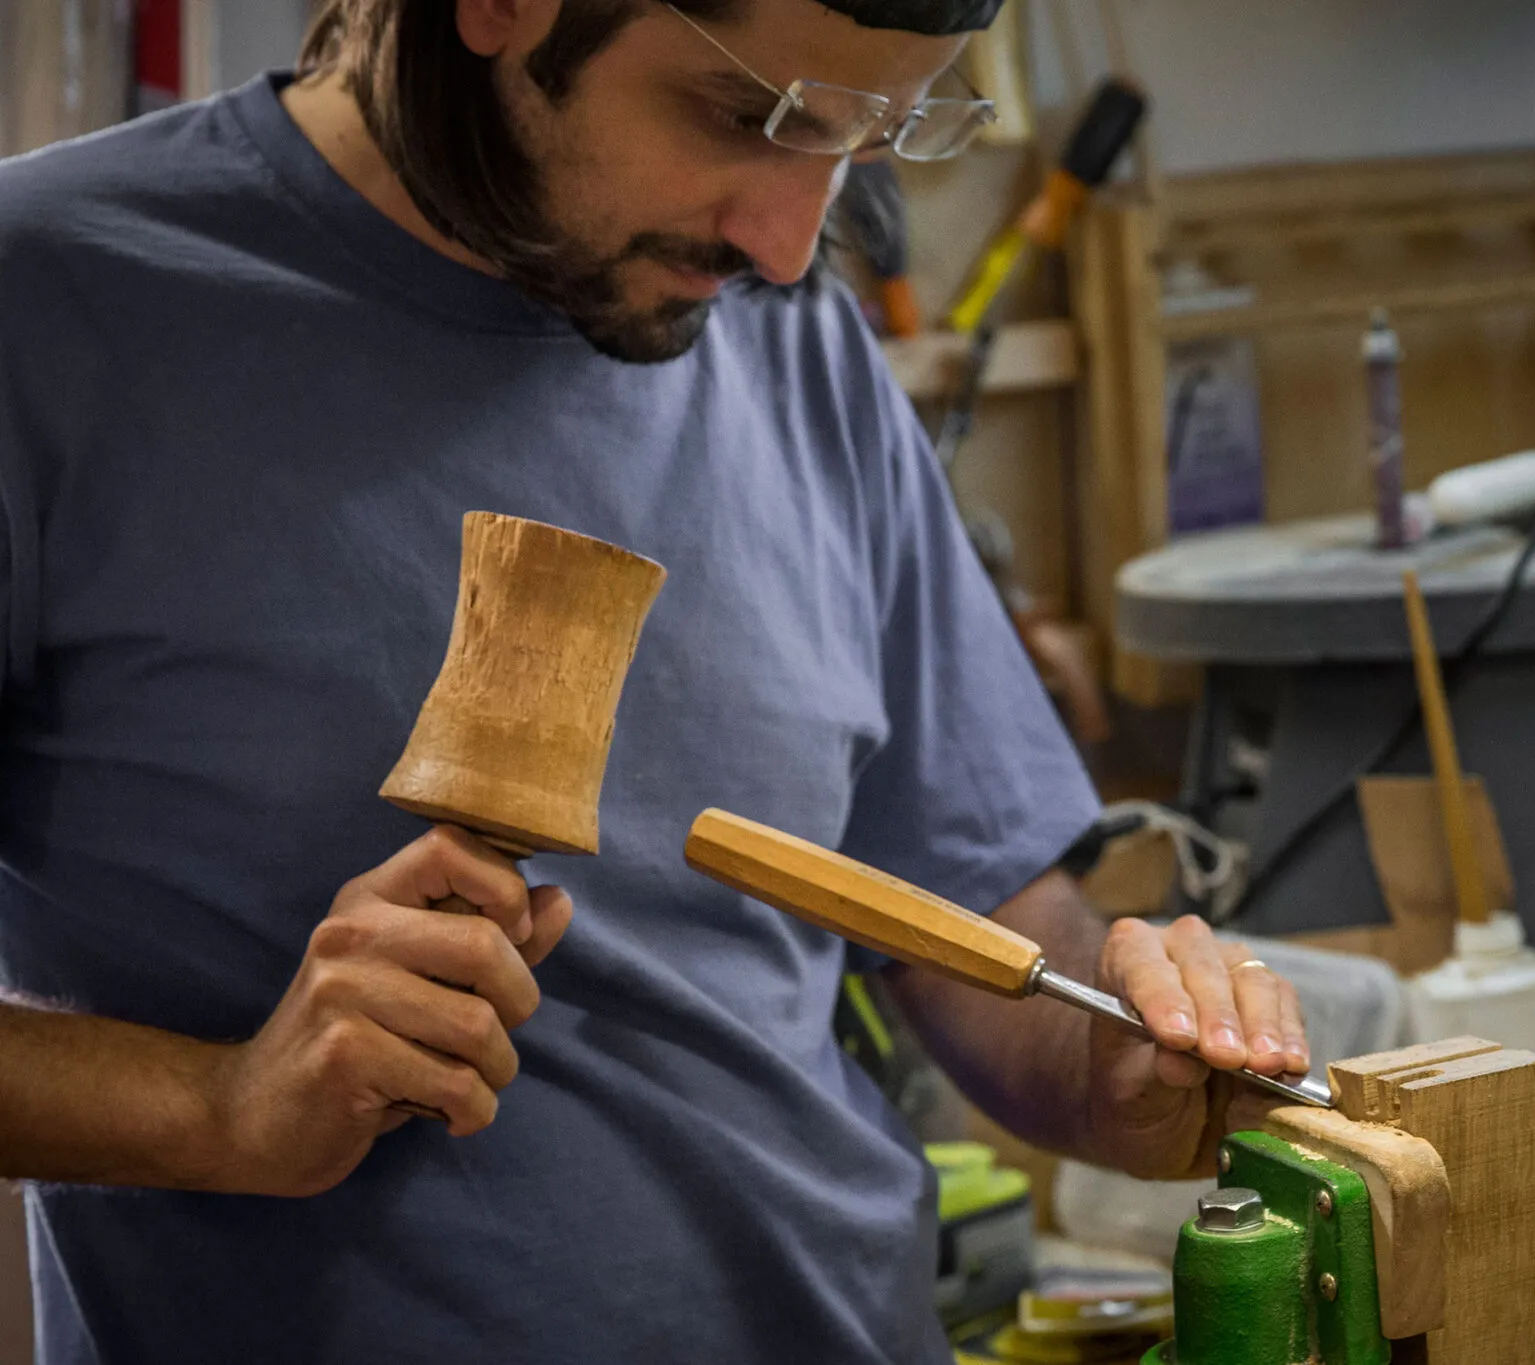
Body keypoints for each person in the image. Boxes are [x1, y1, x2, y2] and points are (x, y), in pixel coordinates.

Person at [0, 0, 1312, 1359]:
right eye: (750, 115)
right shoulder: (48, 299)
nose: (791, 245)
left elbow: (971, 905)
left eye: (869, 138)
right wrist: (223, 1111)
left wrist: (1111, 1063)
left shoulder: (785, 327)